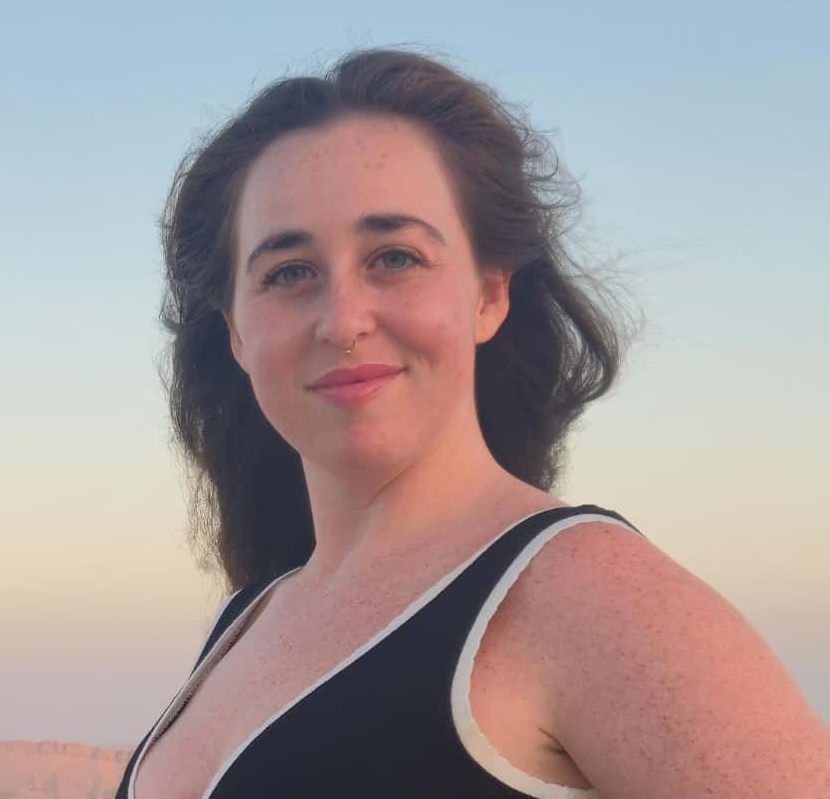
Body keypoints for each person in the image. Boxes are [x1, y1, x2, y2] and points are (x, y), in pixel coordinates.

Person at [115, 47, 830, 799]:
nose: (344, 320)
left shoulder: (584, 594)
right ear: (235, 331)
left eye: (394, 257)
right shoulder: (249, 618)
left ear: (489, 295)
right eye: (289, 271)